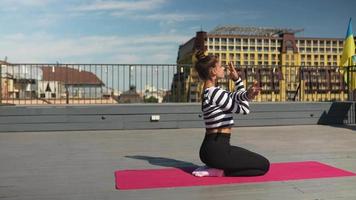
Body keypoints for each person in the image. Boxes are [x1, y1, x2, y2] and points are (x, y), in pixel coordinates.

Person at [192, 50, 270, 177]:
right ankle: (220, 171)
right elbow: (244, 109)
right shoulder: (215, 93)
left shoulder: (211, 92)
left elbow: (237, 96)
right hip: (217, 151)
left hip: (214, 149)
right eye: (220, 66)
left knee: (255, 161)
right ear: (213, 71)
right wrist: (241, 87)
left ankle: (217, 167)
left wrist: (245, 89)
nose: (223, 68)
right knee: (264, 165)